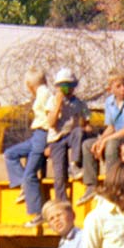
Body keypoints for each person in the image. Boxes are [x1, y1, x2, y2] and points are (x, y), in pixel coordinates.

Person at [78, 71, 124, 204]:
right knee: (88, 144)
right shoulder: (109, 102)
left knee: (111, 145)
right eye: (119, 86)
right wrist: (100, 140)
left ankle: (111, 183)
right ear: (110, 89)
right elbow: (111, 127)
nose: (123, 89)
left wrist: (106, 140)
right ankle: (90, 185)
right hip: (118, 135)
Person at [4, 68, 50, 224]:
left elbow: (52, 117)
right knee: (11, 154)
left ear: (30, 85)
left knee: (30, 174)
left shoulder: (44, 94)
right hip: (36, 134)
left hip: (43, 134)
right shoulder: (41, 95)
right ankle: (22, 184)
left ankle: (38, 213)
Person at [43, 67, 87, 206]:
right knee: (59, 174)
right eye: (63, 86)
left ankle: (74, 165)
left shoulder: (79, 103)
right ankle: (62, 202)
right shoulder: (51, 101)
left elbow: (87, 120)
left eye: (69, 86)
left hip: (71, 135)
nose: (67, 90)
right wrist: (58, 104)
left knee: (78, 131)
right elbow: (51, 123)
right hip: (57, 138)